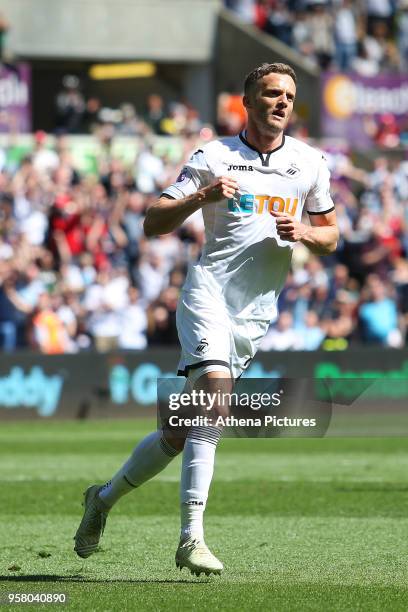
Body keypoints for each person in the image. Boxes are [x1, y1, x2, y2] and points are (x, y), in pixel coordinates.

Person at [74, 62, 338, 575]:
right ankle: (191, 537)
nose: (281, 102)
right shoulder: (214, 155)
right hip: (208, 295)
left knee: (180, 431)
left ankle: (101, 500)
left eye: (288, 95)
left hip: (255, 314)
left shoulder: (309, 163)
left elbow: (331, 235)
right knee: (214, 403)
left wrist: (304, 233)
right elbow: (153, 221)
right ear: (248, 100)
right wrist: (202, 196)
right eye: (270, 93)